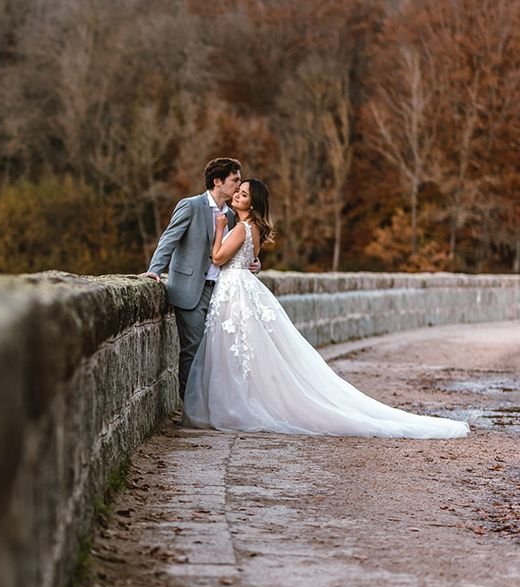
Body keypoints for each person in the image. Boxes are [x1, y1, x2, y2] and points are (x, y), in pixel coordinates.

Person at [182, 178, 469, 438]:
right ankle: (237, 402)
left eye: (243, 195)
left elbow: (218, 258)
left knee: (235, 350)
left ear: (253, 203)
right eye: (238, 191)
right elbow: (250, 259)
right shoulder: (252, 228)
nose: (237, 196)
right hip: (239, 288)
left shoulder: (240, 228)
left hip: (235, 291)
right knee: (239, 351)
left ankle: (236, 406)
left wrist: (219, 230)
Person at [140, 158, 258, 395]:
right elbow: (169, 239)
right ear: (217, 181)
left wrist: (255, 263)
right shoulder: (191, 206)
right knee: (193, 349)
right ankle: (190, 406)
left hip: (222, 291)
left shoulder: (232, 216)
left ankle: (208, 404)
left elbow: (239, 249)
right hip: (190, 289)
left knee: (216, 351)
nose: (238, 186)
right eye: (235, 180)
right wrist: (155, 269)